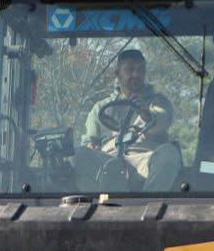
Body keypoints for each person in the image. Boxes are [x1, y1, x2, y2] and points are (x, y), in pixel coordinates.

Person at [74, 49, 181, 192]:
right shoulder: (100, 108)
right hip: (108, 163)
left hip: (144, 161)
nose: (136, 74)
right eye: (129, 69)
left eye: (140, 70)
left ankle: (148, 206)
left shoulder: (158, 102)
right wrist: (91, 145)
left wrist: (146, 113)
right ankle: (96, 207)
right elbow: (89, 141)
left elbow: (162, 120)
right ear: (117, 73)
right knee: (79, 153)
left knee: (170, 152)